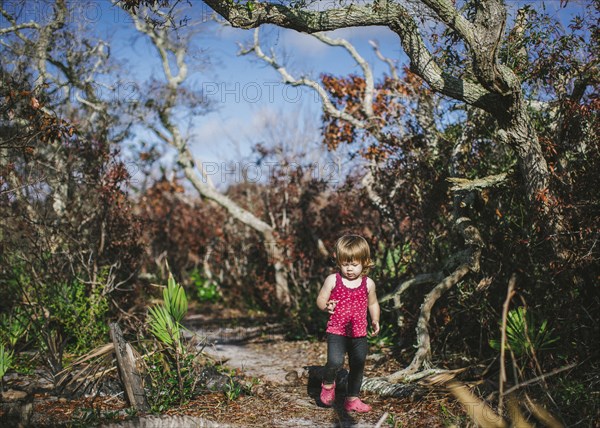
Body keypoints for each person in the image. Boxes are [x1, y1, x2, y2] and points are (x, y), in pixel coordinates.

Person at [316, 234, 380, 413]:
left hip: (359, 332)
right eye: (345, 264)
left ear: (364, 262)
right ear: (338, 262)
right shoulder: (333, 280)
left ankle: (352, 399)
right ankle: (328, 384)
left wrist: (375, 319)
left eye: (354, 264)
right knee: (335, 361)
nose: (349, 269)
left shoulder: (368, 284)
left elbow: (373, 303)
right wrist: (326, 305)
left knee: (358, 365)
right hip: (337, 330)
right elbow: (320, 299)